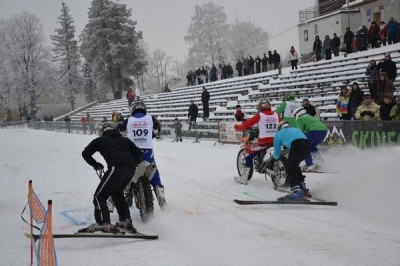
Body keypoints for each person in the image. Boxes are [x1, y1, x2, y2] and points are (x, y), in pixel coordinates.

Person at [81, 123, 142, 232]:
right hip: (130, 170)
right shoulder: (125, 140)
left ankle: (103, 222)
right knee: (117, 193)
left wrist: (95, 164)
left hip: (116, 168)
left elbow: (85, 153)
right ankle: (125, 222)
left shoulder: (101, 140)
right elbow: (138, 153)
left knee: (99, 196)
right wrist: (133, 163)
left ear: (103, 131)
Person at [120, 100, 168, 210]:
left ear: (132, 110)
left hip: (132, 154)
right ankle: (162, 200)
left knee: (123, 172)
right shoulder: (151, 118)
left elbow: (119, 129)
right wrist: (150, 136)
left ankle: (113, 200)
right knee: (155, 174)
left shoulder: (129, 120)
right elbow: (157, 130)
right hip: (147, 154)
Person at [233, 99, 280, 185]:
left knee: (248, 156)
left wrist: (239, 128)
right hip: (276, 141)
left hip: (264, 142)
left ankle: (244, 178)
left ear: (260, 108)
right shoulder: (276, 115)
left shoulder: (260, 115)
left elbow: (248, 123)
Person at [273, 121, 311, 201]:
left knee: (290, 168)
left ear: (279, 128)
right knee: (295, 166)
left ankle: (297, 191)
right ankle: (302, 188)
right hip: (307, 145)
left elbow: (276, 154)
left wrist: (276, 159)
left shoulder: (279, 134)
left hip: (296, 145)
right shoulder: (296, 129)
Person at [293, 107, 328, 172]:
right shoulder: (309, 116)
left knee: (306, 147)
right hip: (324, 130)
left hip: (315, 130)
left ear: (296, 114)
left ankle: (310, 165)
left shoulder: (300, 118)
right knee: (312, 146)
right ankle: (319, 162)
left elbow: (299, 131)